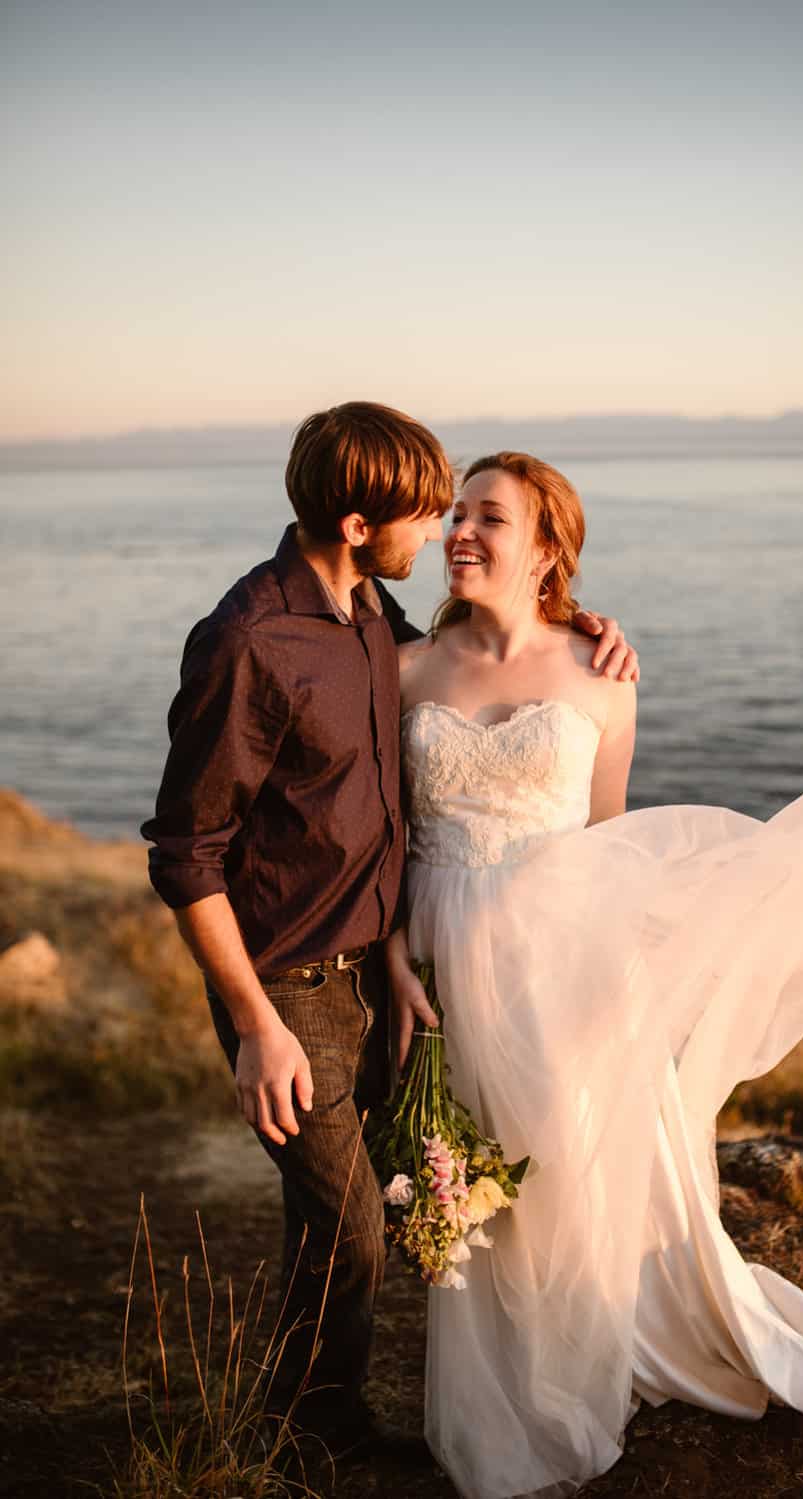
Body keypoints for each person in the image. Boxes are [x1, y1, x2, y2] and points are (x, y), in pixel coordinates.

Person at [389, 450, 803, 1499]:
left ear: (546, 549)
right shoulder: (399, 670)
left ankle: (576, 1363)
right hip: (438, 951)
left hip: (559, 959)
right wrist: (396, 946)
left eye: (488, 515)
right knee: (474, 1177)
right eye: (455, 513)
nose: (458, 531)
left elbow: (613, 843)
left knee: (572, 1173)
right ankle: (498, 1392)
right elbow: (381, 832)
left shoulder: (602, 674)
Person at [140, 404, 638, 1468]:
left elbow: (473, 673)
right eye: (428, 512)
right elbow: (185, 851)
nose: (440, 532)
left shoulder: (375, 617)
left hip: (383, 969)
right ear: (361, 522)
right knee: (354, 1225)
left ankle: (322, 1404)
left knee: (370, 1209)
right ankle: (307, 1437)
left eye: (464, 510)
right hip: (292, 990)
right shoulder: (246, 640)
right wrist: (255, 1024)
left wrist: (582, 621)